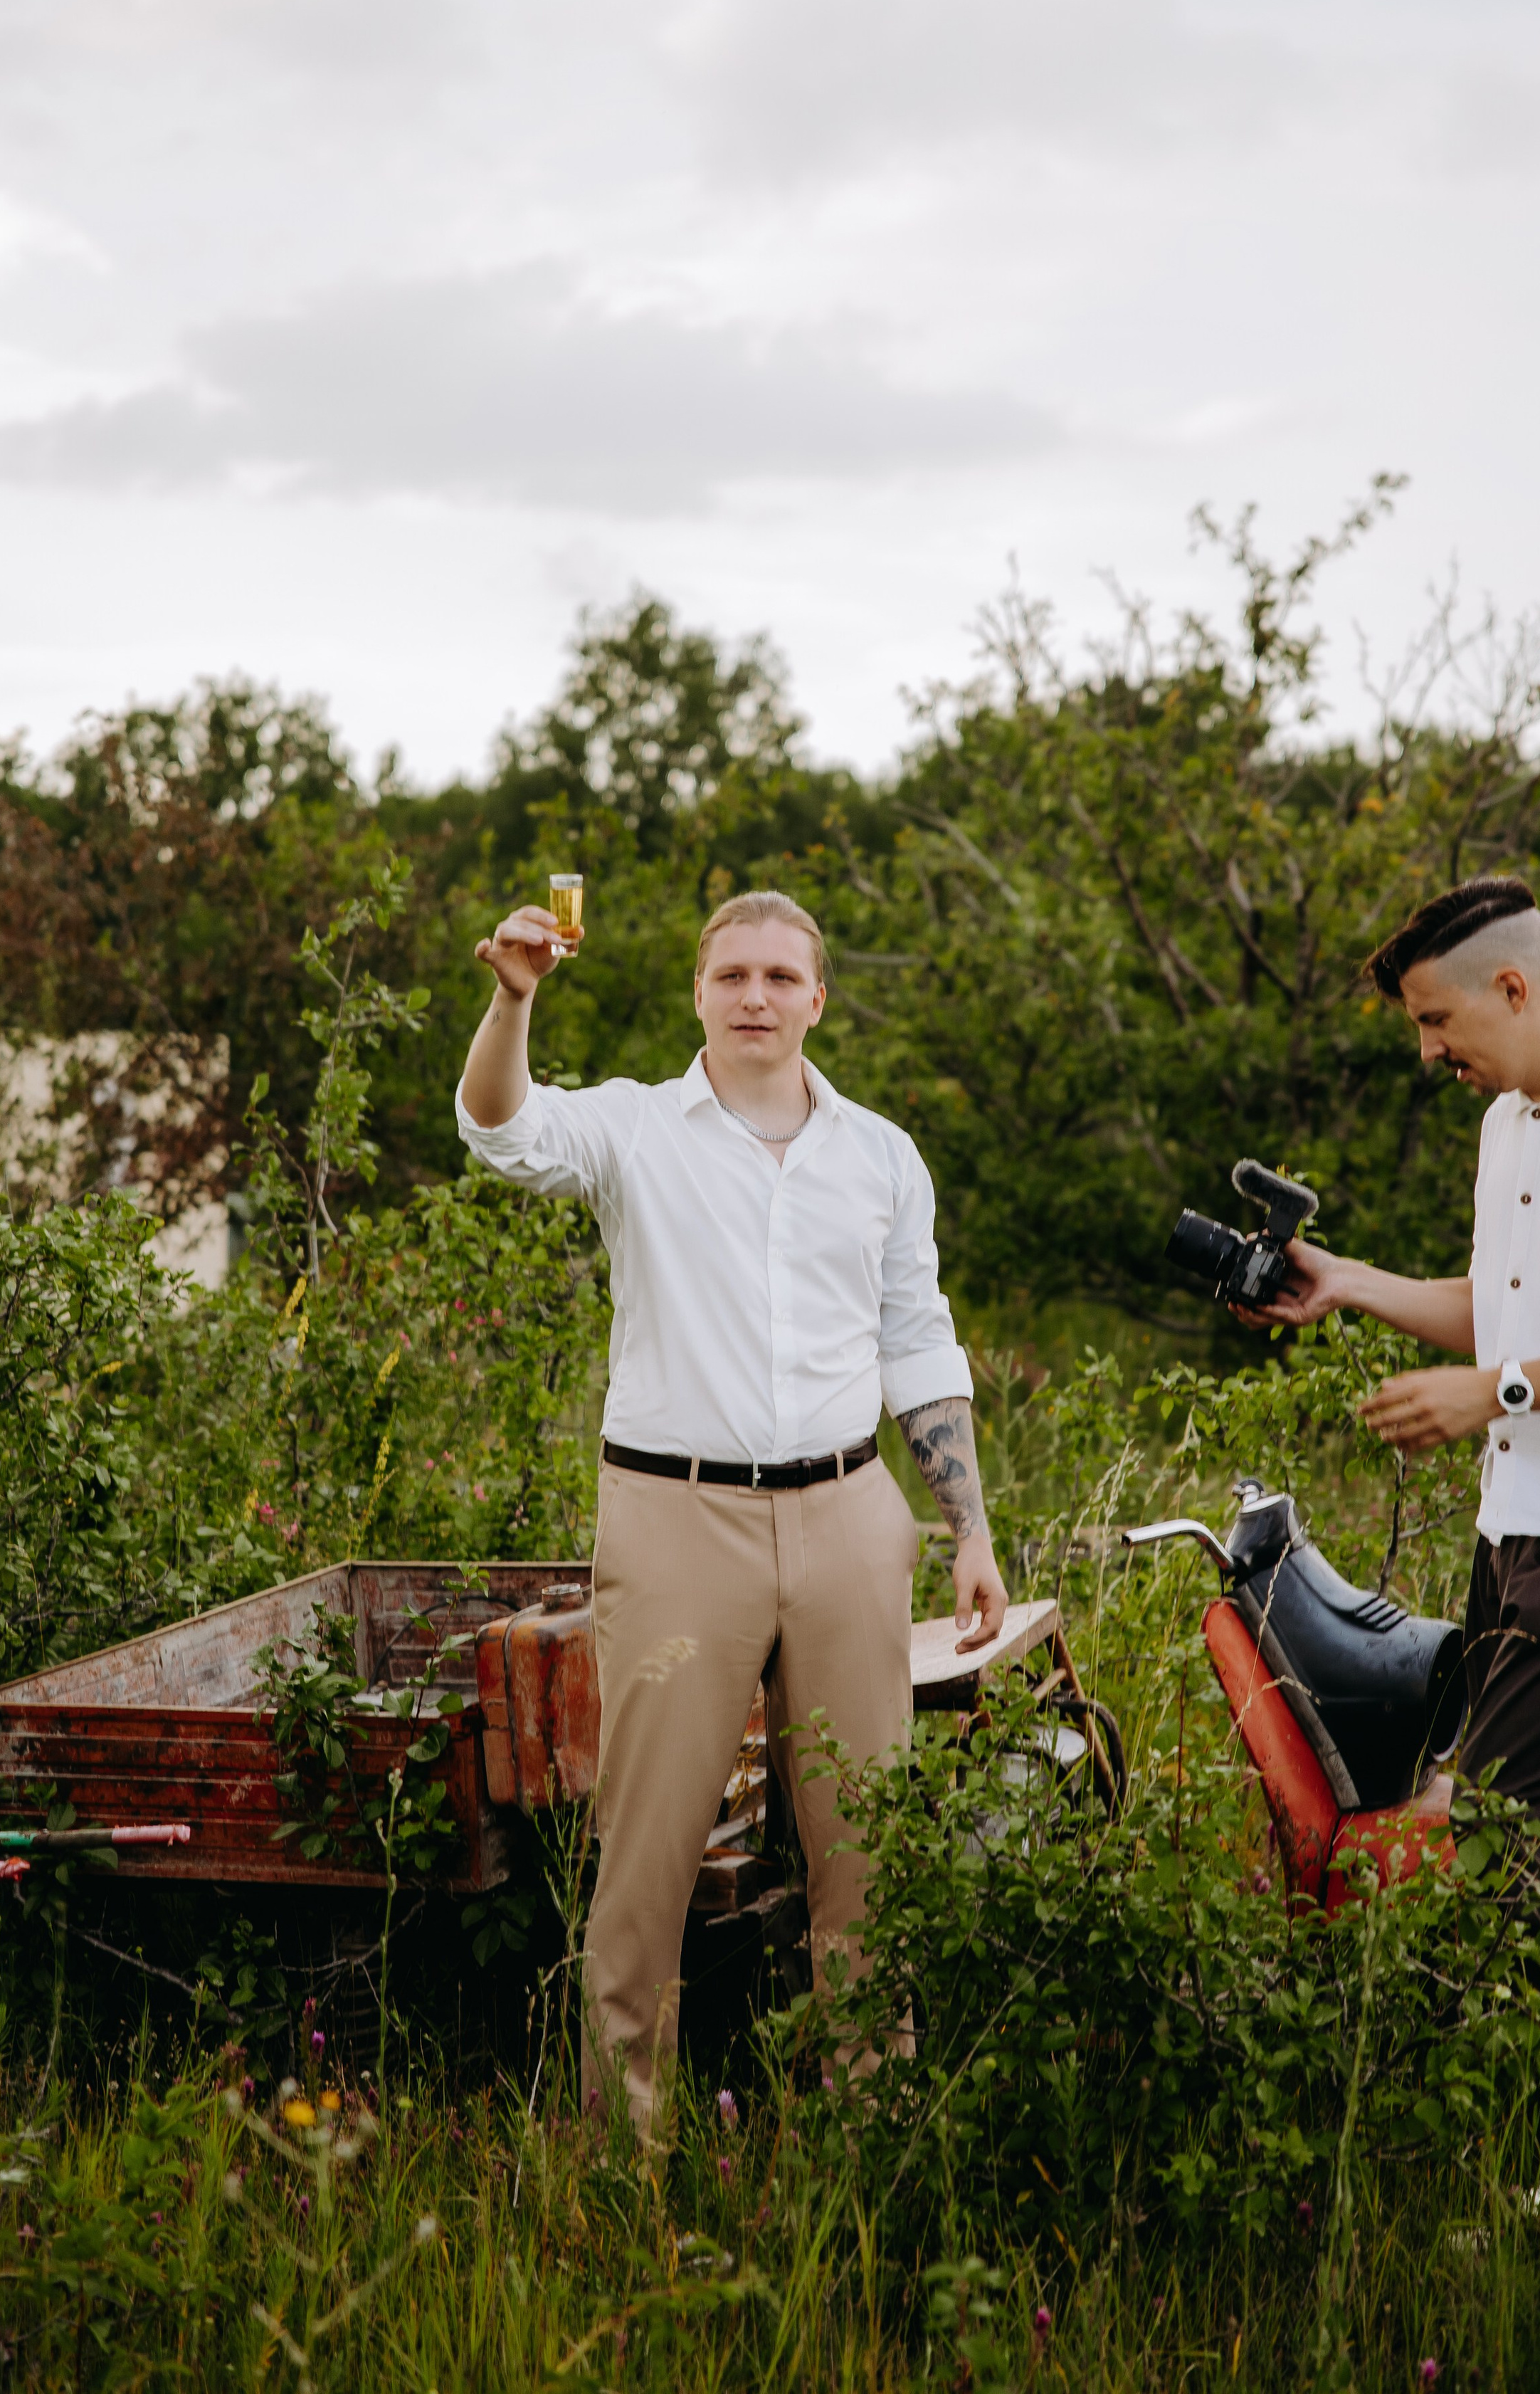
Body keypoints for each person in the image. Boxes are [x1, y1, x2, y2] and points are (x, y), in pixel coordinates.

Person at [456, 884, 1008, 2141]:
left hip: (851, 1517)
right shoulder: (636, 1133)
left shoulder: (880, 1155)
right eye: (731, 977)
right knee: (646, 1857)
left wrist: (968, 1527)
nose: (755, 996)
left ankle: (866, 2131)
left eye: (779, 976)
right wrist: (513, 999)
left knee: (861, 1850)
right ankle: (621, 2148)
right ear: (697, 995)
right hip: (675, 1519)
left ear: (818, 997)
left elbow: (918, 1341)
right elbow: (501, 1126)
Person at [1243, 873, 1540, 2118]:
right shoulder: (1511, 1121)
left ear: (1513, 987)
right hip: (1521, 1527)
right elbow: (1499, 1303)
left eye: (1435, 1020)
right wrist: (1345, 1281)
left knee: (1531, 1840)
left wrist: (1496, 1394)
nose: (1427, 1050)